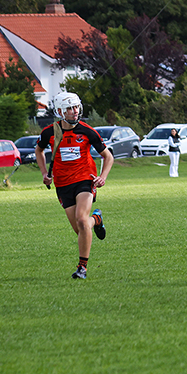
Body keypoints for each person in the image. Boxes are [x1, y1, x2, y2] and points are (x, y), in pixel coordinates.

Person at [35, 92, 114, 280]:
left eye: (76, 107)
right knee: (82, 229)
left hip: (85, 180)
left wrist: (102, 177)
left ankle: (82, 268)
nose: (74, 111)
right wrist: (45, 173)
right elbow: (39, 150)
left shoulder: (87, 131)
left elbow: (108, 156)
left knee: (81, 219)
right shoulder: (49, 132)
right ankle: (96, 219)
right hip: (62, 184)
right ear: (60, 111)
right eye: (70, 108)